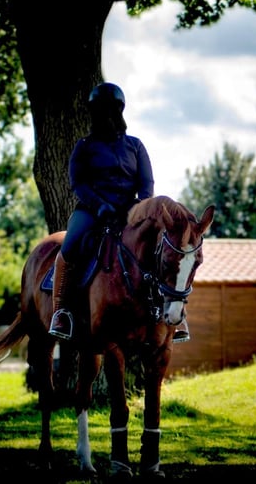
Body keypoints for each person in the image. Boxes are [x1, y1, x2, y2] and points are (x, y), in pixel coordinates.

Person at [48, 82, 190, 343]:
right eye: (101, 111)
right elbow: (78, 183)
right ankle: (61, 312)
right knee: (69, 247)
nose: (107, 115)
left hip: (130, 211)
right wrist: (99, 204)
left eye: (111, 110)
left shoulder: (135, 146)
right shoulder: (84, 146)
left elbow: (146, 183)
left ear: (119, 111)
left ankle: (178, 315)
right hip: (92, 210)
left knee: (163, 246)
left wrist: (141, 208)